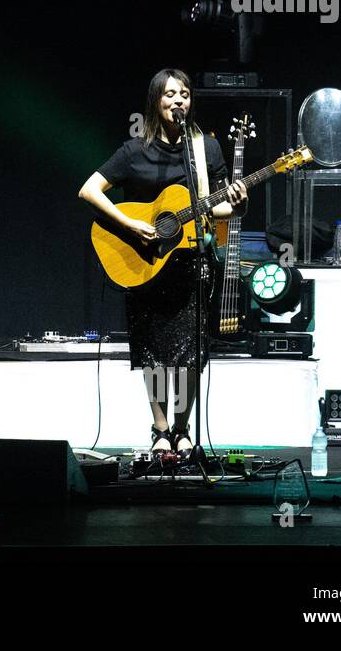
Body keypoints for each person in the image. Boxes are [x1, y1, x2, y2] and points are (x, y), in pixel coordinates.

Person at [78, 68, 247, 455]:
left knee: (189, 352)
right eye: (170, 94)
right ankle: (160, 429)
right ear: (157, 101)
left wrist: (239, 203)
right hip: (145, 265)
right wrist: (131, 224)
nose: (178, 100)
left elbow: (217, 209)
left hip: (189, 263)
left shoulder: (205, 150)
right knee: (153, 352)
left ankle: (184, 430)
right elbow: (89, 190)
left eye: (184, 94)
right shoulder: (133, 151)